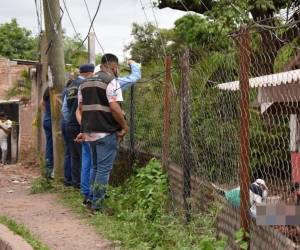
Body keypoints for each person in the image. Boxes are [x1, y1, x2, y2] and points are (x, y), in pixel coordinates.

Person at [76, 54, 141, 213]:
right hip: (106, 132)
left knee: (96, 167)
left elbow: (80, 109)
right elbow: (114, 108)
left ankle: (90, 200)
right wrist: (124, 126)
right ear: (113, 67)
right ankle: (97, 206)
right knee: (103, 170)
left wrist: (84, 129)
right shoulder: (111, 82)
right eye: (117, 68)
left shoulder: (83, 84)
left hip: (90, 133)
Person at [64, 64, 95, 189]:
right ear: (89, 73)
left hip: (70, 123)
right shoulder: (85, 85)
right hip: (81, 124)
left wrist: (69, 121)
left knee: (73, 155)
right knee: (85, 156)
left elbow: (64, 109)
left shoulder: (70, 86)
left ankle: (75, 183)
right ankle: (85, 186)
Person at [61, 79, 73, 186]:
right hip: (68, 123)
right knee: (72, 152)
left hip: (65, 123)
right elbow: (64, 110)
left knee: (68, 151)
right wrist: (70, 121)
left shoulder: (65, 91)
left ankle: (68, 178)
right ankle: (69, 178)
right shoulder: (70, 91)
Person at [42, 87, 53, 179]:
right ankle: (49, 170)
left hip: (46, 120)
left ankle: (48, 169)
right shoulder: (52, 94)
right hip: (51, 122)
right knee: (51, 146)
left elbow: (42, 106)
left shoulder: (45, 96)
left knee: (49, 145)